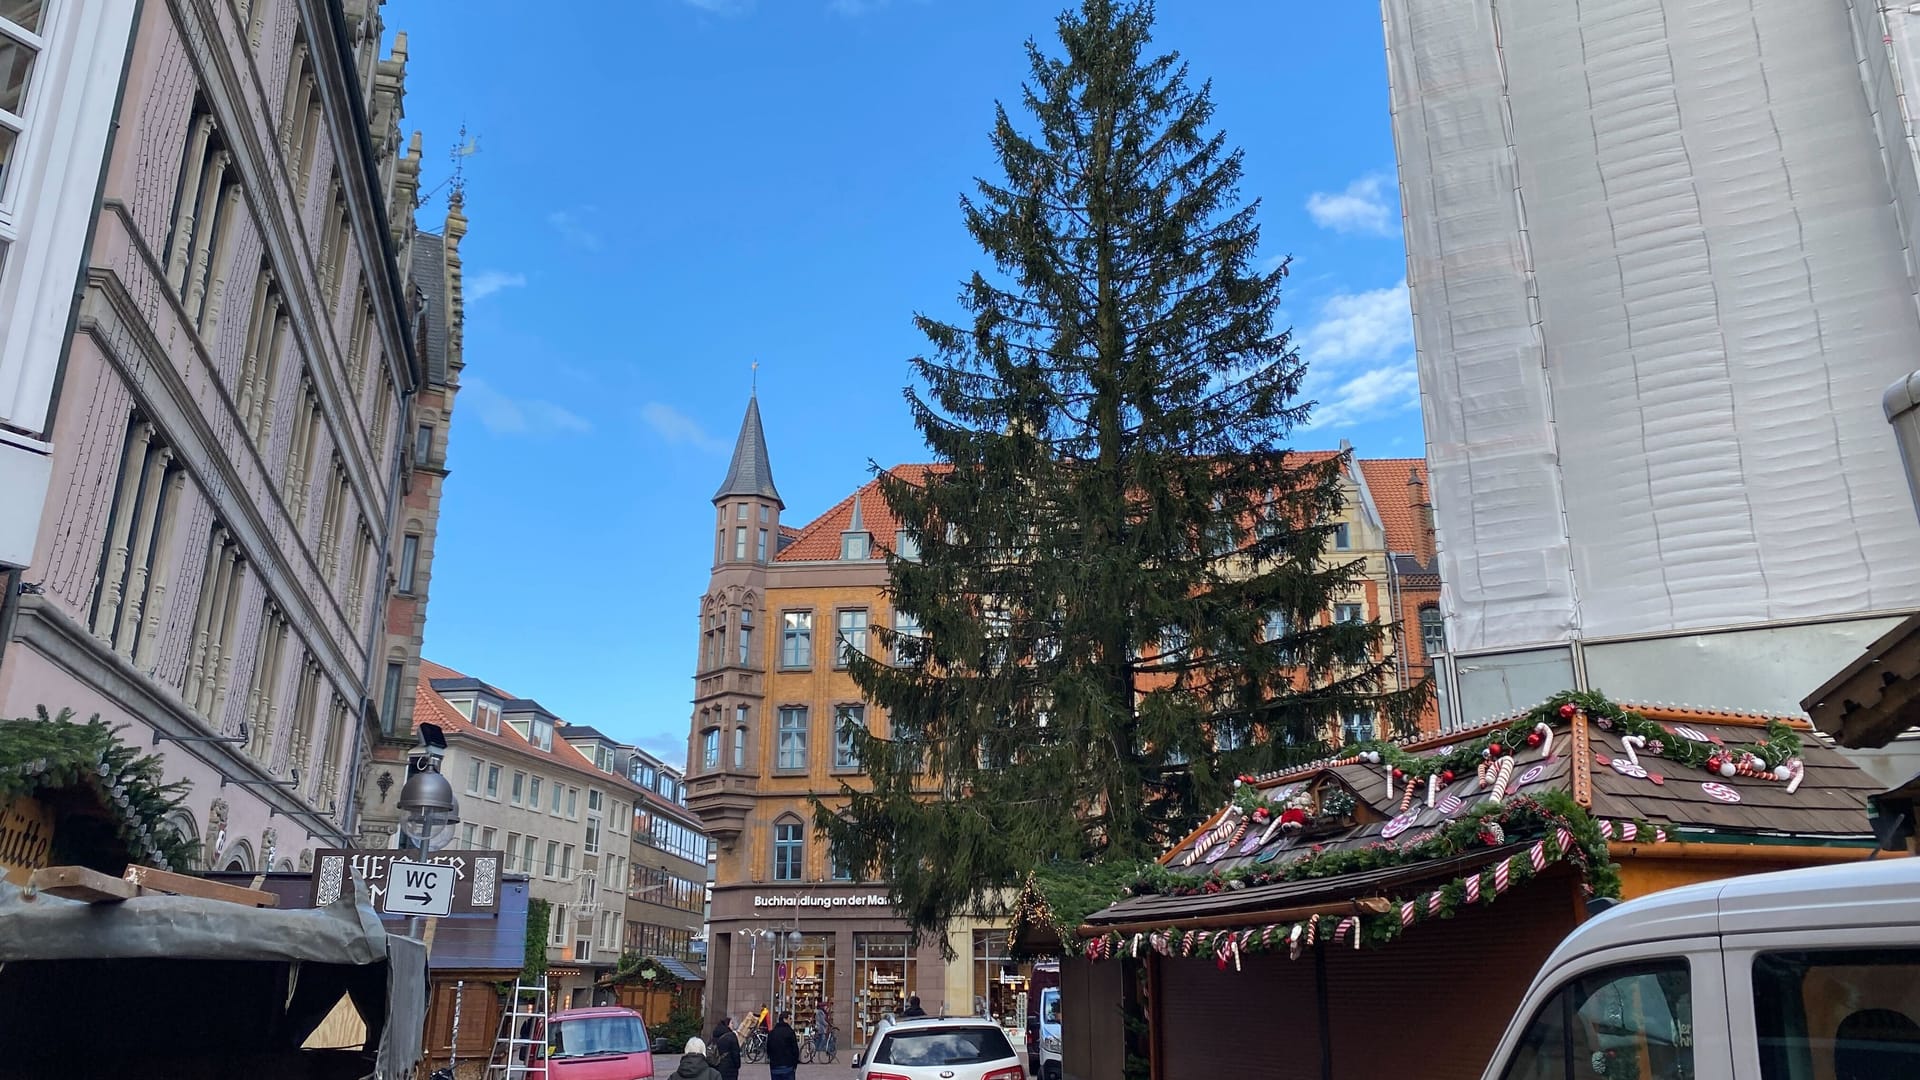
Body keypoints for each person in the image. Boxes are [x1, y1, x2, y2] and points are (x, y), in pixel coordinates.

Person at [766, 1012, 801, 1080]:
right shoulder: (790, 1032)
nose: (791, 1021)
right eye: (790, 1018)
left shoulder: (772, 1033)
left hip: (775, 1066)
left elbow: (768, 1049)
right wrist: (794, 1064)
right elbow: (795, 1050)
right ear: (785, 1019)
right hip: (788, 1066)